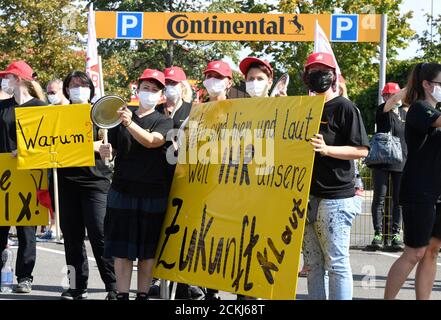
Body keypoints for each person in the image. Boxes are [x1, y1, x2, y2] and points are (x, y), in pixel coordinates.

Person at [99, 69, 173, 301]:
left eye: (154, 90)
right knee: (122, 250)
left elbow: (153, 142)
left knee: (147, 251)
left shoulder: (164, 120)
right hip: (122, 190)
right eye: (145, 88)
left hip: (153, 192)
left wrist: (129, 124)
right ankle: (122, 294)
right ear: (137, 90)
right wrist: (104, 152)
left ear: (161, 95)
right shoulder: (120, 118)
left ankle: (142, 294)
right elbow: (110, 150)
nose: (148, 93)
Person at [301, 52, 370, 300]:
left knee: (337, 264)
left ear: (333, 76)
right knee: (313, 265)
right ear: (305, 76)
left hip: (336, 199)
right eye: (312, 70)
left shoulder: (344, 107)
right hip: (306, 197)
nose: (317, 74)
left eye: (323, 69)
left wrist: (327, 149)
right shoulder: (302, 108)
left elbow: (361, 150)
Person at [58, 70, 116, 300]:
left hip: (96, 183)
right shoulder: (58, 116)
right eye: (72, 84)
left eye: (82, 84)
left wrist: (106, 150)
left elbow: (111, 144)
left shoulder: (100, 114)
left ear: (91, 88)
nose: (77, 88)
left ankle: (113, 286)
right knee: (71, 238)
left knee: (100, 235)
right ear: (66, 89)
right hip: (66, 182)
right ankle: (76, 287)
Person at [384, 62, 441, 300]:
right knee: (414, 252)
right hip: (419, 192)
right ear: (427, 84)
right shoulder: (419, 109)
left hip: (437, 191)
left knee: (432, 251)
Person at [0, 60, 47, 293]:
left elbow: (48, 143)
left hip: (30, 176)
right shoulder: (2, 107)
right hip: (4, 177)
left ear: (18, 79)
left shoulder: (41, 108)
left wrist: (27, 151)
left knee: (27, 230)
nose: (4, 81)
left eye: (7, 76)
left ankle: (24, 277)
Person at [368, 83, 407, 251]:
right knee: (380, 197)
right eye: (387, 95)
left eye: (393, 95)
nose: (390, 98)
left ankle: (395, 234)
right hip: (382, 160)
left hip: (401, 160)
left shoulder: (406, 113)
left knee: (399, 200)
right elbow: (391, 103)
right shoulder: (382, 110)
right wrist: (408, 88)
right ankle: (378, 234)